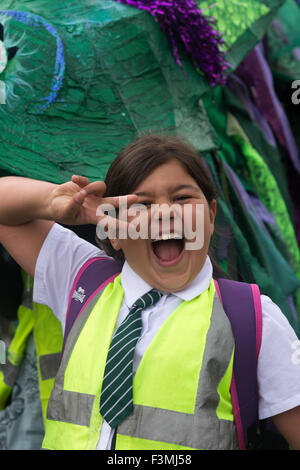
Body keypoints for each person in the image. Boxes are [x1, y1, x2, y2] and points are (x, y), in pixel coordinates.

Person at [0, 134, 299, 450]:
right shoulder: (81, 280)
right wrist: (53, 203)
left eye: (182, 198)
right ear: (112, 231)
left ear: (211, 217)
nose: (164, 213)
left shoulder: (252, 316)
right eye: (141, 204)